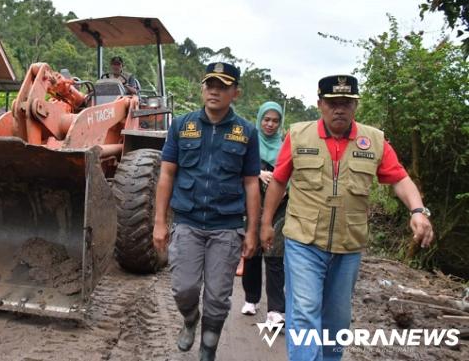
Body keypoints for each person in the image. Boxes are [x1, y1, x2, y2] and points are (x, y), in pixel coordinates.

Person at [260, 75, 434, 360]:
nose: (338, 109)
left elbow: (399, 178)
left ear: (355, 106)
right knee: (304, 312)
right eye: (332, 103)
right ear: (320, 105)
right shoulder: (299, 135)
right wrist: (266, 223)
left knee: (337, 321)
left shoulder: (373, 140)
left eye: (346, 103)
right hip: (304, 242)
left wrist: (418, 211)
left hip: (348, 246)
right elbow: (279, 181)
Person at [153, 62, 261, 360]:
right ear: (202, 89)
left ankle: (208, 348)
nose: (214, 90)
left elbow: (252, 184)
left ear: (235, 93)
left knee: (217, 297)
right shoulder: (181, 126)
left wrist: (252, 231)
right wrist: (159, 222)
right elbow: (166, 175)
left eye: (223, 86)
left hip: (226, 226)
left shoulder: (246, 132)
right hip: (186, 221)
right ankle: (190, 319)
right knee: (184, 288)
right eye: (209, 84)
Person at [240, 101, 286, 329]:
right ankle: (251, 298)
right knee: (252, 252)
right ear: (259, 120)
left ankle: (276, 310)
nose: (270, 124)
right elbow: (237, 166)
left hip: (279, 206)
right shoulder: (250, 140)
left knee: (276, 254)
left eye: (275, 120)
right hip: (253, 204)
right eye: (266, 119)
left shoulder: (285, 145)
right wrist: (257, 173)